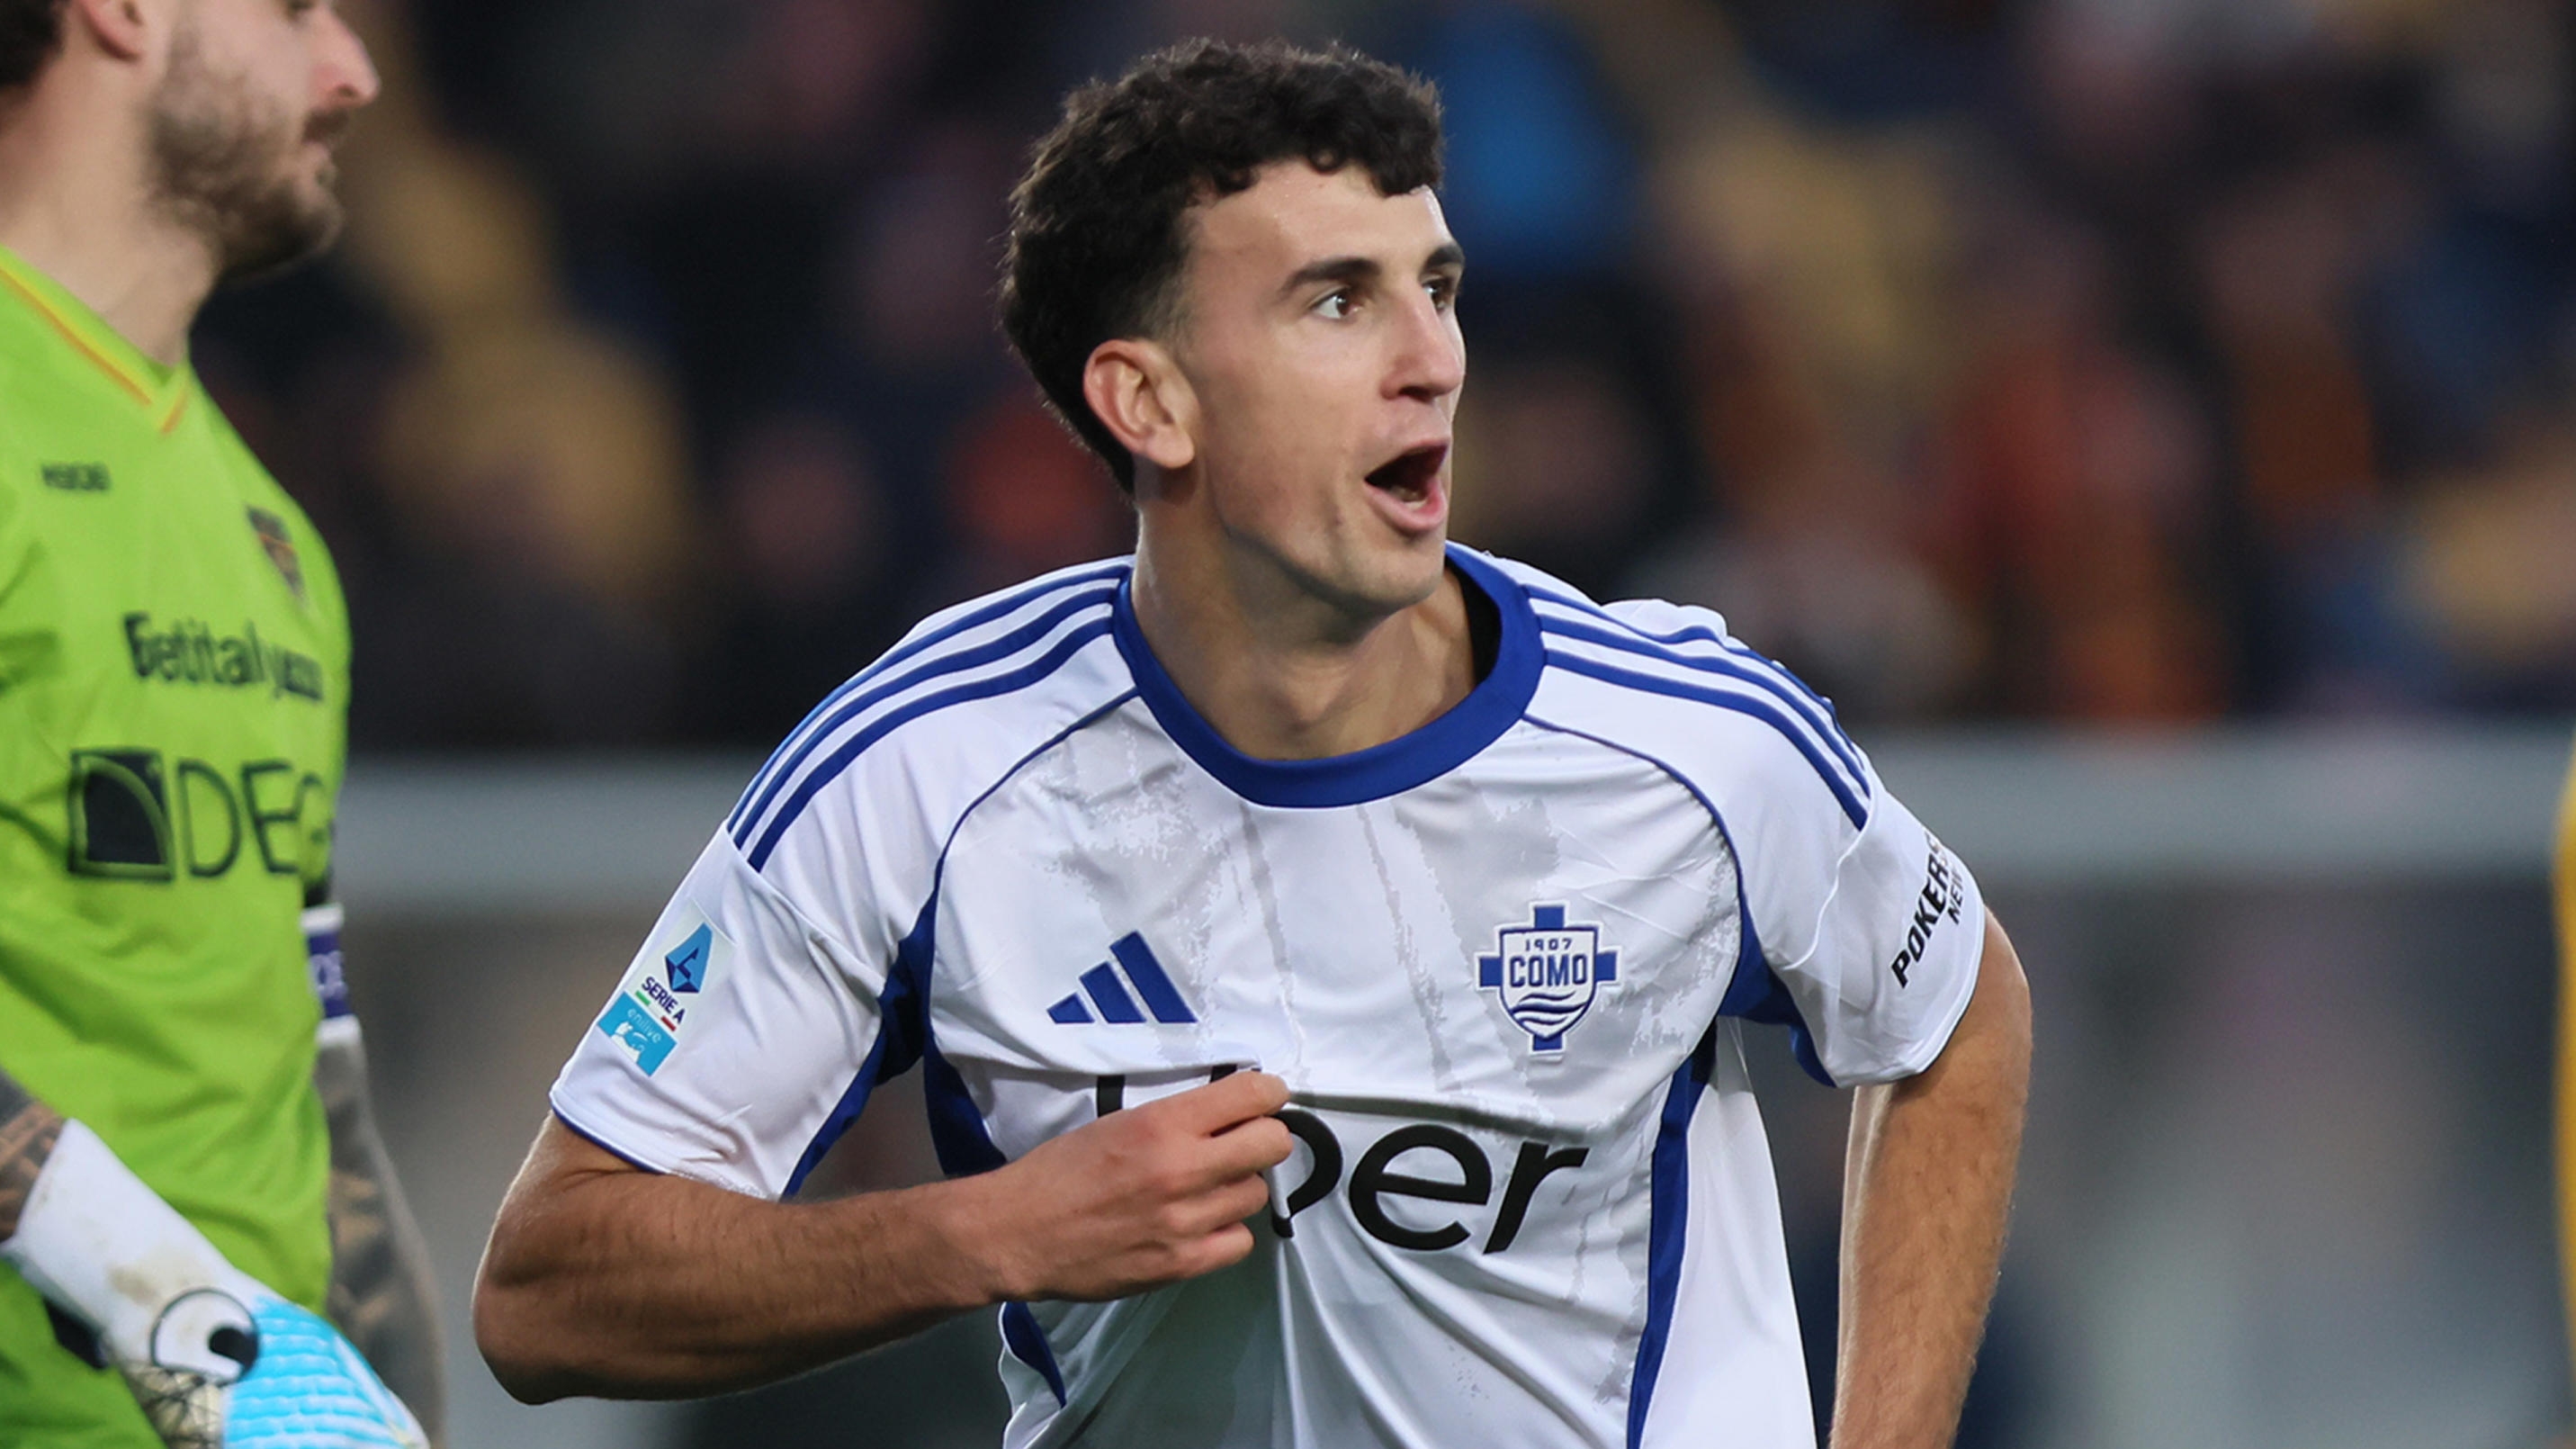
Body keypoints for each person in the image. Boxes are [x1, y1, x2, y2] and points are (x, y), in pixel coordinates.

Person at [476, 39, 2031, 1449]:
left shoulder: (1689, 739)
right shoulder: (927, 768)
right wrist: (989, 1233)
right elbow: (547, 1288)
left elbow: (1960, 1011)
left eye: (1439, 285)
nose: (1433, 357)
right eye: (1339, 301)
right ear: (1150, 402)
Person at [0, 0, 438, 1444]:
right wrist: (159, 1296)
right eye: (301, 8)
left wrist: (398, 1411)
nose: (354, 72)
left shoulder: (279, 542)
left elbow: (316, 1075)